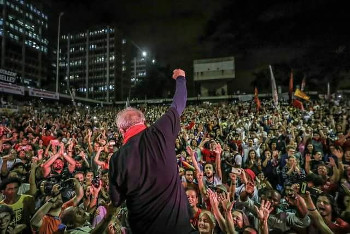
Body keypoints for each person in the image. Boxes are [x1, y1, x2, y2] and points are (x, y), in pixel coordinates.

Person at [108, 69, 192, 233]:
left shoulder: (116, 159)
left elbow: (116, 200)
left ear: (121, 130)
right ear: (143, 121)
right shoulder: (160, 130)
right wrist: (181, 78)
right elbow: (179, 103)